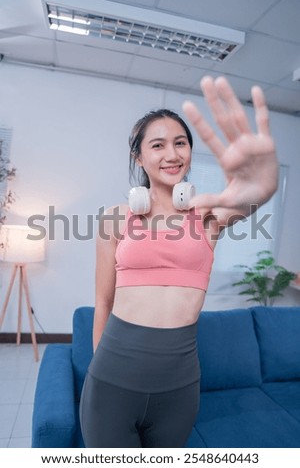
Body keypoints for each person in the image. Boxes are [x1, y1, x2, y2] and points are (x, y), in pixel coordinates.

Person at [79, 76, 278, 448]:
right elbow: (103, 302)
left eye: (180, 143)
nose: (171, 154)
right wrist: (96, 369)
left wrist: (265, 187)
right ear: (139, 157)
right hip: (111, 381)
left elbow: (249, 201)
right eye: (158, 145)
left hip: (179, 389)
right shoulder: (115, 218)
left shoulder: (208, 217)